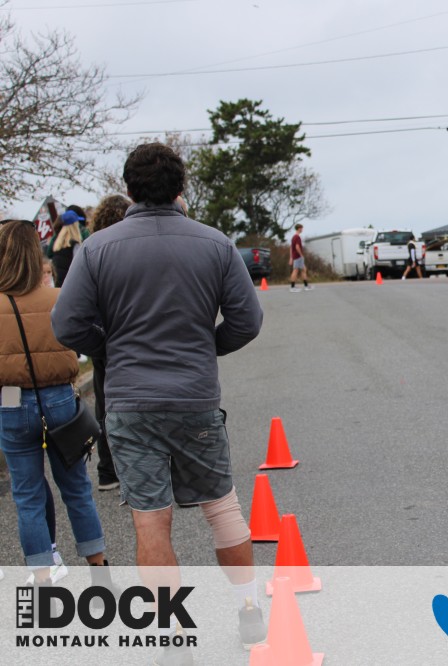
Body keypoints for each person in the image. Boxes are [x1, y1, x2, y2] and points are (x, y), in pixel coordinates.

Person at [51, 143, 266, 658]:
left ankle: (172, 637)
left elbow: (67, 324)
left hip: (130, 402)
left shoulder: (97, 250)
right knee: (222, 507)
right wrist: (206, 347)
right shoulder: (215, 244)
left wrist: (111, 348)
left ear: (129, 189)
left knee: (150, 518)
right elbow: (247, 320)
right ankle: (249, 612)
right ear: (180, 188)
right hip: (195, 396)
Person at [0, 219, 115, 591]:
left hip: (11, 399)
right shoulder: (59, 298)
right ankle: (99, 574)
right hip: (60, 397)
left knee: (28, 495)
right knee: (77, 489)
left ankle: (43, 580)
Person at [88, 193, 133, 492]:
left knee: (105, 403)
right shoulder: (131, 250)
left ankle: (108, 470)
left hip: (101, 337)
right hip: (129, 335)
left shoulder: (92, 251)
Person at [49, 210, 85, 287]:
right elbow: (81, 269)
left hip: (59, 287)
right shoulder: (75, 245)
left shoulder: (57, 244)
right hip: (73, 286)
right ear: (75, 225)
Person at [289, 223, 311, 292]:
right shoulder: (297, 237)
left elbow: (291, 248)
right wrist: (301, 255)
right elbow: (297, 247)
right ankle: (292, 287)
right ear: (299, 229)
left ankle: (306, 286)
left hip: (295, 256)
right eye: (301, 228)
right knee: (296, 270)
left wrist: (291, 257)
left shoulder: (293, 237)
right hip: (298, 256)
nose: (302, 229)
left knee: (303, 269)